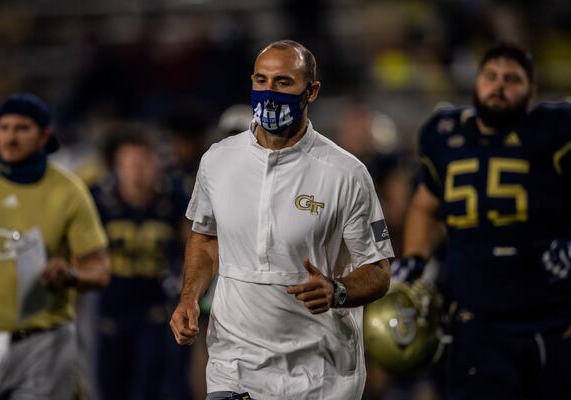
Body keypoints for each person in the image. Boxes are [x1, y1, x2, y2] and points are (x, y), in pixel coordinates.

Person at [170, 40, 393, 400]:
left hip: (319, 373)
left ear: (312, 91)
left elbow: (378, 270)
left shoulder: (346, 174)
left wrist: (338, 291)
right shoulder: (217, 161)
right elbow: (205, 236)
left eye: (284, 82)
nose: (269, 93)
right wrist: (189, 298)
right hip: (234, 363)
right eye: (261, 81)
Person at [393, 43, 571, 399]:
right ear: (476, 82)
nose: (499, 86)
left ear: (531, 91)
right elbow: (425, 205)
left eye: (512, 79)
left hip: (552, 320)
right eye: (491, 76)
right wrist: (415, 258)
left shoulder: (554, 130)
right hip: (477, 321)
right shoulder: (445, 134)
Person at [0, 93, 110, 400]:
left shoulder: (68, 190)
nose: (10, 137)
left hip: (43, 343)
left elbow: (99, 270)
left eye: (22, 128)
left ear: (44, 135)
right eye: (3, 128)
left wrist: (71, 275)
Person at [90, 126, 192, 400]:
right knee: (110, 390)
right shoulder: (99, 201)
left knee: (154, 391)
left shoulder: (172, 199)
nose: (138, 171)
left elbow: (194, 249)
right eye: (130, 163)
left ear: (157, 165)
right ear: (117, 167)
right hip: (111, 318)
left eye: (144, 162)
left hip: (156, 316)